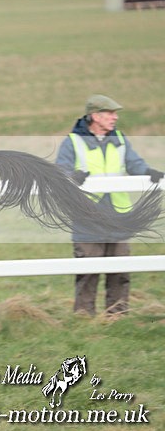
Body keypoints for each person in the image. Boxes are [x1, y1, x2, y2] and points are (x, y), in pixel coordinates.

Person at [55, 94, 163, 316]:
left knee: (121, 271)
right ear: (95, 116)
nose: (115, 118)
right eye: (110, 113)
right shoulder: (73, 142)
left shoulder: (120, 140)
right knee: (88, 271)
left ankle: (117, 316)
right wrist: (72, 176)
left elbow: (135, 165)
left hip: (118, 218)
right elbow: (61, 170)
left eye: (115, 114)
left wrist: (149, 173)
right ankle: (84, 317)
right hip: (87, 218)